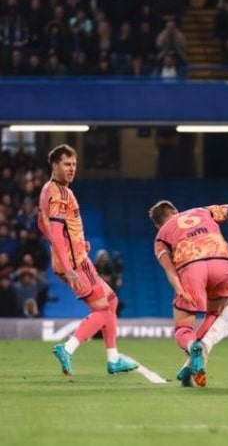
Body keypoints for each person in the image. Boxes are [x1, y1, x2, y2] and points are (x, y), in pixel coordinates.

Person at [39, 144, 138, 376]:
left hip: (76, 257)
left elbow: (41, 224)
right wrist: (69, 265)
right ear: (55, 165)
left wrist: (75, 242)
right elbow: (54, 231)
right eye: (67, 164)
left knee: (111, 301)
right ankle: (67, 348)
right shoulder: (60, 194)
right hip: (74, 264)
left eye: (74, 164)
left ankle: (113, 360)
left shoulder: (47, 190)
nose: (72, 168)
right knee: (103, 309)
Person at [149, 200, 228, 387]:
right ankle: (193, 362)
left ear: (157, 225)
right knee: (214, 314)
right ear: (176, 210)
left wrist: (180, 291)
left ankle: (192, 347)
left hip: (192, 266)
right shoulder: (202, 211)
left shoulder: (161, 237)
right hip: (222, 262)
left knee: (183, 329)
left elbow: (169, 270)